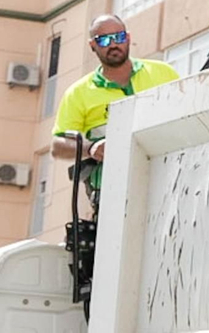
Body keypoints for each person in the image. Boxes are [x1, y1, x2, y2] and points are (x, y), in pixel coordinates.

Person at [52, 14, 180, 203]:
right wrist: (91, 148)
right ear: (92, 46)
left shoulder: (163, 73)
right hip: (111, 189)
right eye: (103, 40)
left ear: (128, 38)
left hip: (169, 178)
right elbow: (58, 145)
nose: (113, 45)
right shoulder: (79, 93)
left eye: (118, 37)